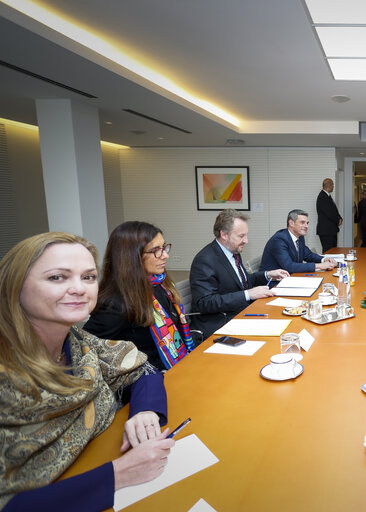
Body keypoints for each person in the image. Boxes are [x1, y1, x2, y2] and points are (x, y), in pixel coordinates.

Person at [0, 232, 173, 511]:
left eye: (89, 277)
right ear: (15, 286)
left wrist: (145, 411)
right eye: (57, 277)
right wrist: (118, 475)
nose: (79, 288)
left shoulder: (80, 343)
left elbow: (144, 369)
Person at [85, 221, 196, 371]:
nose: (165, 255)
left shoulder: (159, 284)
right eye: (156, 250)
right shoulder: (116, 303)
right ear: (131, 257)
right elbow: (84, 348)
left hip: (176, 367)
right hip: (148, 380)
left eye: (164, 247)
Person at [190, 209, 289, 338]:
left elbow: (243, 281)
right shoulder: (205, 260)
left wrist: (268, 274)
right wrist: (248, 294)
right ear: (224, 234)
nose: (246, 240)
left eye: (246, 235)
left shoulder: (233, 251)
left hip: (240, 312)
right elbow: (205, 303)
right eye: (241, 236)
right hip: (221, 321)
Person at [259, 209, 338, 273]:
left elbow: (308, 255)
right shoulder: (279, 240)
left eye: (307, 223)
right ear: (291, 223)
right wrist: (319, 266)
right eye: (302, 222)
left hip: (290, 277)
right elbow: (289, 266)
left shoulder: (299, 237)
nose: (306, 226)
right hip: (273, 283)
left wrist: (324, 259)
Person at [316, 178, 342, 253]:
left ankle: (332, 265)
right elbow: (329, 213)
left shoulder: (327, 196)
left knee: (333, 251)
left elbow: (334, 210)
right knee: (328, 252)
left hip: (330, 230)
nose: (333, 186)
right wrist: (337, 221)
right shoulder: (322, 197)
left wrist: (339, 217)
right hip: (326, 231)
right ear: (329, 186)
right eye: (333, 185)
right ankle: (327, 265)